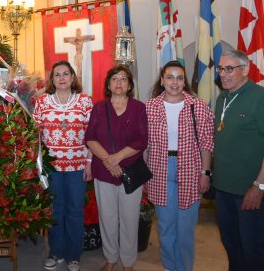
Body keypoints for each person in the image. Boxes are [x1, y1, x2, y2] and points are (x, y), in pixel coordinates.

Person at [145, 61, 214, 271]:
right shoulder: (150, 107)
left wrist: (205, 172)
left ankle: (184, 267)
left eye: (179, 77)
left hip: (191, 170)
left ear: (184, 81)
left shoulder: (197, 105)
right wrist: (145, 175)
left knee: (185, 227)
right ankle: (169, 266)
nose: (175, 82)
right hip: (159, 170)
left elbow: (206, 142)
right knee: (165, 226)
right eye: (170, 77)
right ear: (162, 80)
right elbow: (144, 145)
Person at [85, 65, 148, 271]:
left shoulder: (139, 108)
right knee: (107, 218)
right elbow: (90, 139)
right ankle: (111, 258)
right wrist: (108, 160)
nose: (119, 82)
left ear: (129, 84)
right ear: (108, 85)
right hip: (104, 172)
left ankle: (128, 263)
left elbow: (142, 140)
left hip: (130, 171)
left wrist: (117, 159)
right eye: (114, 79)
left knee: (130, 220)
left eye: (123, 79)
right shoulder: (99, 108)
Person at [33, 61, 93, 271]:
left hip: (77, 166)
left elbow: (93, 136)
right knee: (55, 211)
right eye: (57, 74)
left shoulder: (85, 102)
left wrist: (89, 162)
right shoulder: (42, 102)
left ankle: (73, 256)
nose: (61, 78)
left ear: (73, 77)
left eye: (65, 74)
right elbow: (35, 136)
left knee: (75, 211)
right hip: (52, 169)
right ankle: (56, 252)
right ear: (52, 80)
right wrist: (38, 165)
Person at [212, 49, 264, 271]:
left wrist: (259, 185)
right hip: (222, 189)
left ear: (245, 70)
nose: (223, 74)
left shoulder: (259, 97)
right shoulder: (222, 97)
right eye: (221, 69)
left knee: (253, 248)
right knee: (231, 243)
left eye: (229, 69)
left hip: (249, 191)